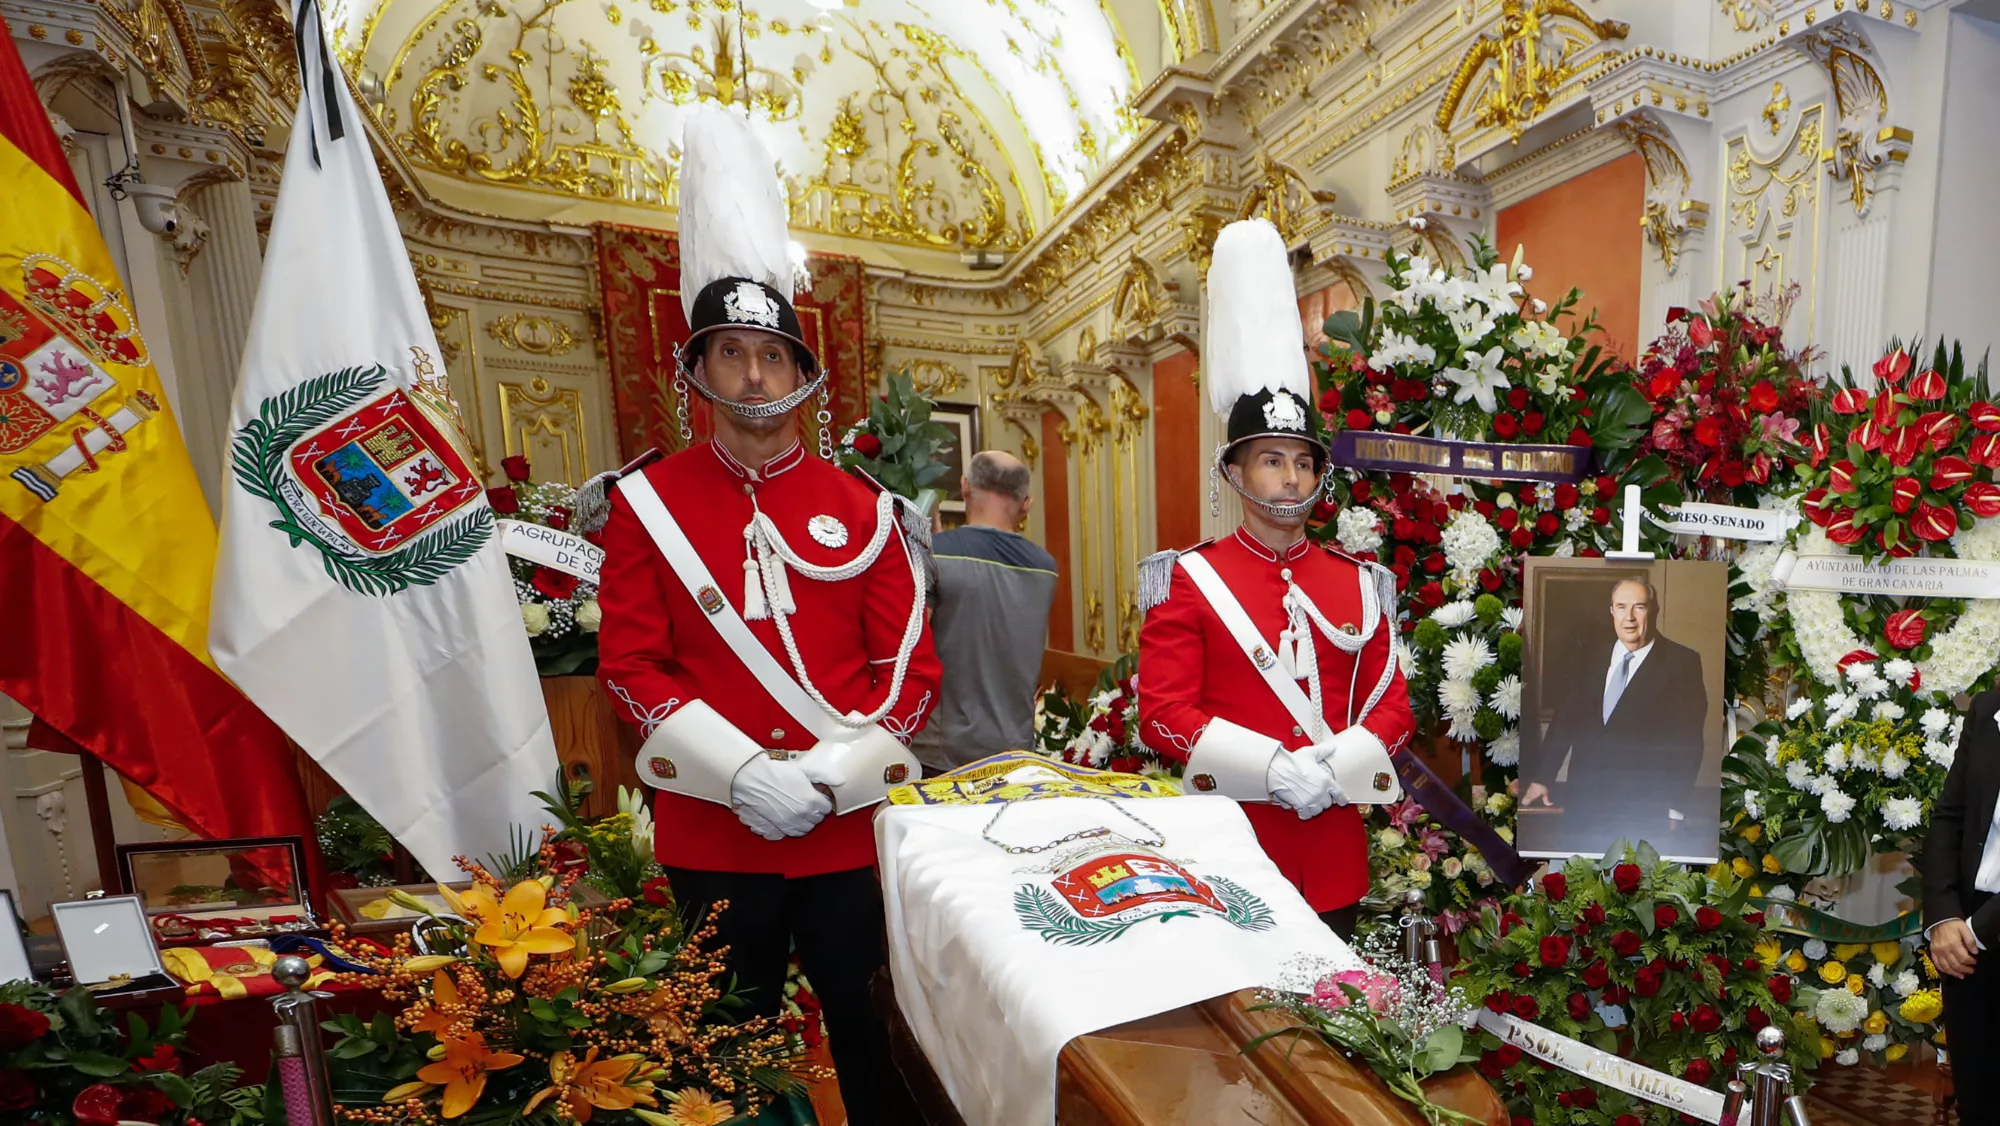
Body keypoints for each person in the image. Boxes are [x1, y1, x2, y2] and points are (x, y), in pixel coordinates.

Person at [589, 105, 938, 1122]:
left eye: (771, 355)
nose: (752, 374)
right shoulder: (645, 504)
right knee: (717, 1061)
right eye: (729, 352)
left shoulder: (867, 509)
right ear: (694, 371)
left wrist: (828, 775)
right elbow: (629, 665)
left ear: (803, 374)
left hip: (845, 832)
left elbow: (911, 672)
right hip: (715, 828)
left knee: (878, 1043)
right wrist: (742, 773)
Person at [1136, 218, 1412, 939]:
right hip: (1230, 842)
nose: (1291, 479)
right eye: (1271, 460)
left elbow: (1393, 706)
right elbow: (1163, 712)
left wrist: (1336, 761)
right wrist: (1268, 768)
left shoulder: (1360, 582)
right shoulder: (1191, 578)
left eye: (1304, 461)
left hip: (1333, 851)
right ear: (1234, 472)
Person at [1521, 575, 1706, 845]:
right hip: (1583, 803)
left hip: (1644, 810)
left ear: (1653, 610)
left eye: (1638, 607)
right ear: (1611, 611)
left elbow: (1688, 742)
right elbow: (1565, 720)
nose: (1628, 617)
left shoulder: (1681, 662)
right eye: (1621, 607)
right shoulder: (1589, 655)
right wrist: (1543, 777)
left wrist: (1676, 807)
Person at [911, 450, 1059, 772]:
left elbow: (911, 645)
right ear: (1026, 504)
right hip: (1014, 750)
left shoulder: (934, 555)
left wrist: (927, 548)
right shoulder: (1046, 568)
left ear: (964, 486)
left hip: (942, 752)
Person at [1924, 690, 1998, 1120]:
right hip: (1966, 942)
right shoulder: (1988, 709)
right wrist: (1943, 917)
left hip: (1976, 934)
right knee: (1979, 1099)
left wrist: (1974, 931)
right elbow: (1950, 814)